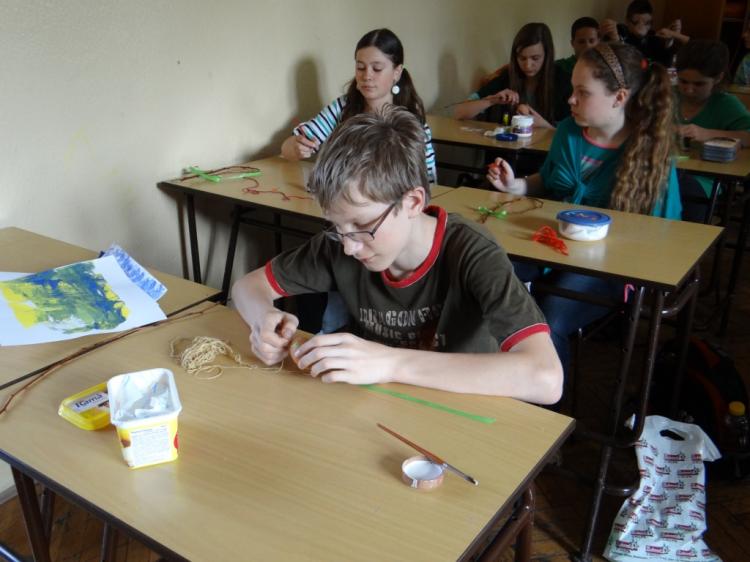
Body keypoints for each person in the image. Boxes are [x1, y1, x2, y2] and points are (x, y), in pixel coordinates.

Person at [233, 107, 563, 404]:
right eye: (336, 227)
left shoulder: (472, 251)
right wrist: (263, 318)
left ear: (413, 202)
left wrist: (390, 362)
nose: (348, 246)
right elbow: (248, 286)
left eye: (362, 226)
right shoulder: (343, 241)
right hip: (379, 404)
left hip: (460, 410)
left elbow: (546, 378)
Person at [486, 42, 682, 377]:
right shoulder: (568, 131)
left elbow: (665, 234)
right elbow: (547, 181)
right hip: (550, 247)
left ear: (619, 97)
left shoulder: (650, 151)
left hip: (608, 266)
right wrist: (515, 185)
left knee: (548, 321)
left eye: (582, 92)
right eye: (572, 89)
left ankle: (544, 401)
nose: (570, 100)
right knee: (486, 282)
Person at [281, 28, 436, 183]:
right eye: (360, 67)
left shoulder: (412, 120)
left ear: (397, 72)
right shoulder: (343, 107)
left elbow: (428, 181)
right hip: (345, 195)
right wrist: (296, 147)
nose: (367, 76)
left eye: (377, 69)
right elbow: (288, 148)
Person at [675, 40, 750, 221]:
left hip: (703, 179)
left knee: (678, 187)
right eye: (683, 81)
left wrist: (707, 133)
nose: (689, 89)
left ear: (717, 79)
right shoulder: (667, 96)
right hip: (664, 168)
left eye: (699, 84)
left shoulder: (725, 104)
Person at [454, 23, 569, 128]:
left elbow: (571, 133)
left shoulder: (562, 80)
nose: (528, 65)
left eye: (535, 58)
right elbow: (459, 112)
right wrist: (492, 100)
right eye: (522, 58)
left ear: (547, 56)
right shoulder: (507, 77)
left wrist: (544, 125)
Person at [600, 0, 688, 67]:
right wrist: (614, 38)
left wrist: (670, 42)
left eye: (647, 23)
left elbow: (665, 66)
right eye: (636, 22)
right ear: (627, 21)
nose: (641, 28)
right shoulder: (620, 31)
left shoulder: (653, 38)